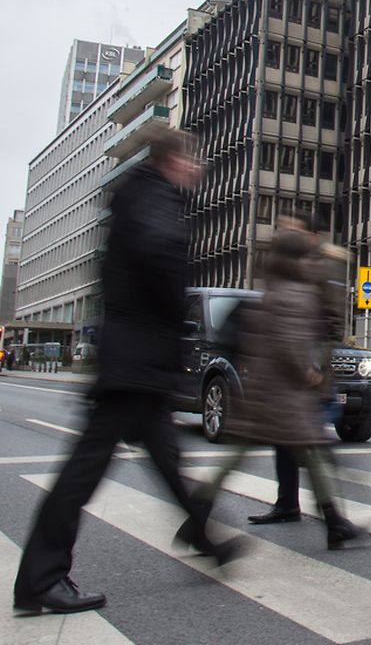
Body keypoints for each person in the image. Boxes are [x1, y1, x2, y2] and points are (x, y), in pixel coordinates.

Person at [13, 130, 239, 615]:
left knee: (166, 460)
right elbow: (159, 255)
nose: (198, 169)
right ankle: (40, 579)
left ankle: (204, 535)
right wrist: (173, 306)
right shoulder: (153, 195)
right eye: (192, 160)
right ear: (173, 161)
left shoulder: (139, 194)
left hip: (139, 359)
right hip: (136, 360)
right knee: (84, 472)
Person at [182, 228, 366, 551]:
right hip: (288, 394)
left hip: (264, 389)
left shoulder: (272, 288)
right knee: (308, 452)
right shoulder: (297, 293)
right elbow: (291, 343)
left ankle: (198, 514)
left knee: (242, 455)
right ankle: (334, 522)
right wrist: (308, 372)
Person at [245, 216, 344, 527]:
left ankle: (330, 516)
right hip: (288, 368)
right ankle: (296, 505)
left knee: (306, 440)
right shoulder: (287, 264)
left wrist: (315, 365)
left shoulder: (321, 268)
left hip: (307, 366)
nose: (287, 230)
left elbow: (331, 322)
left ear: (311, 235)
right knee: (290, 440)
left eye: (294, 227)